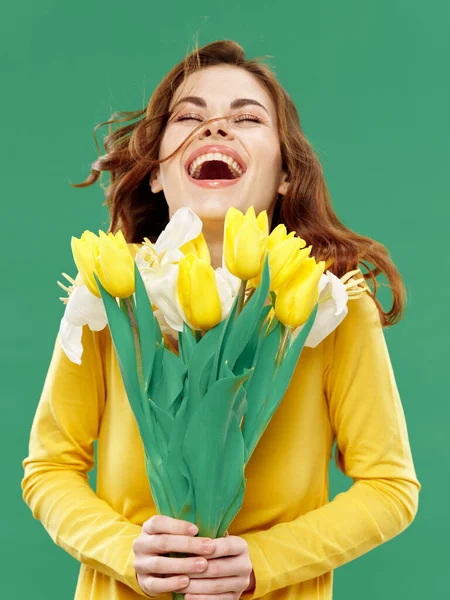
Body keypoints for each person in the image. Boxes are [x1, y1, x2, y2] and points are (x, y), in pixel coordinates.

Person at [21, 39, 421, 600]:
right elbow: (48, 469)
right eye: (189, 116)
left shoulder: (327, 302)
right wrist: (124, 551)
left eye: (246, 117)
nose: (214, 129)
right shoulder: (110, 292)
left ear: (285, 174)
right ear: (156, 174)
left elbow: (390, 487)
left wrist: (262, 562)